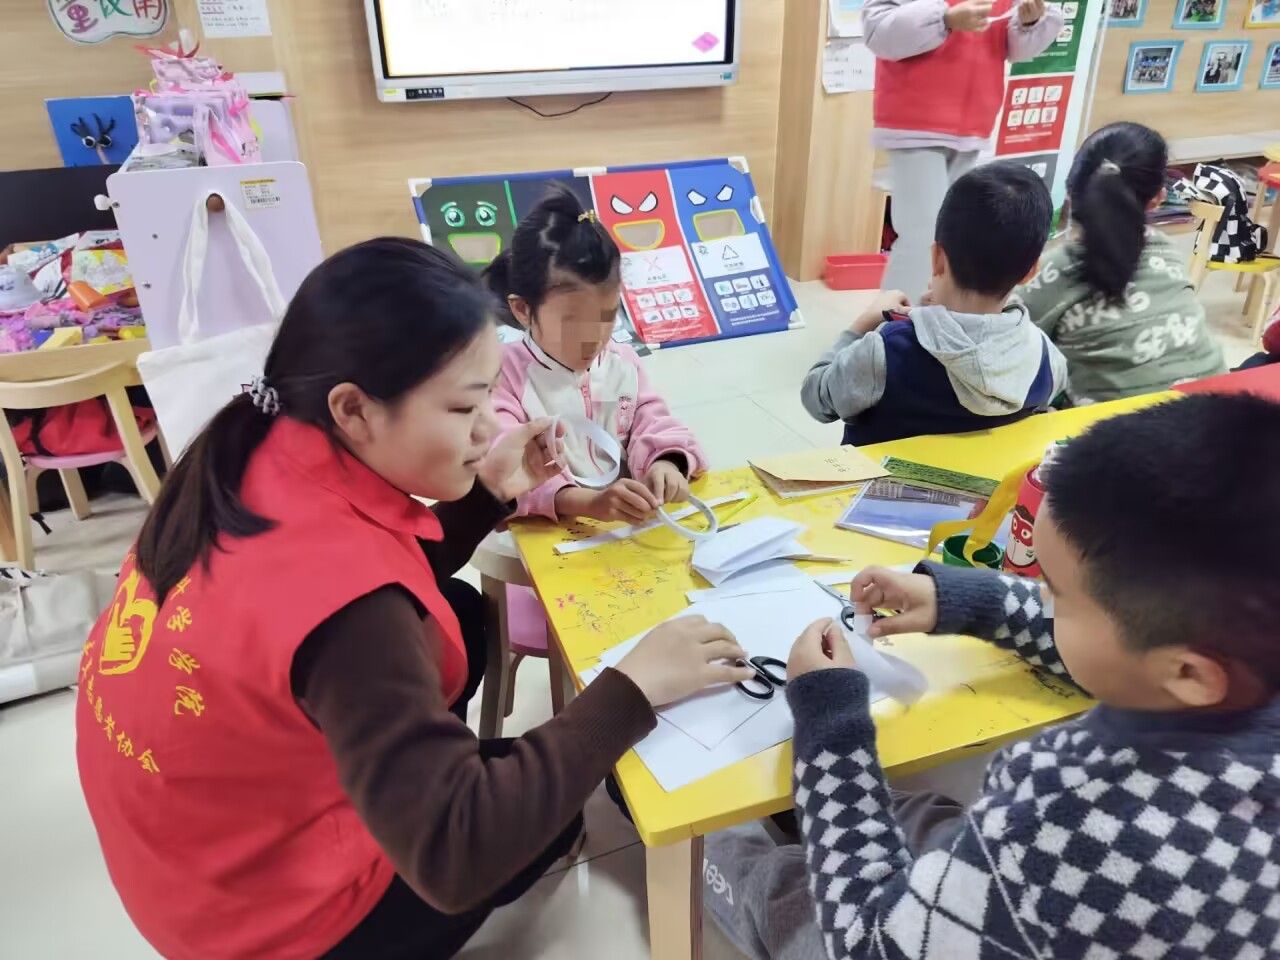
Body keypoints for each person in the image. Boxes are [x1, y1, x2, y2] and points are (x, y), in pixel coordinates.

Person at [74, 238, 755, 960]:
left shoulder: (253, 447)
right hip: (266, 921)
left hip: (193, 854)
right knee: (549, 814)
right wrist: (633, 687)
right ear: (354, 409)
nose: (488, 429)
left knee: (455, 612)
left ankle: (419, 775)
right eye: (464, 407)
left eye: (488, 399)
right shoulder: (346, 605)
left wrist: (489, 493)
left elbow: (367, 590)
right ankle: (422, 799)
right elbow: (458, 855)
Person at [705, 393, 1280, 959]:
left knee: (755, 869)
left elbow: (868, 943)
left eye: (1056, 592)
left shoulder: (1083, 826)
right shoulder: (1235, 668)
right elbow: (1139, 655)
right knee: (915, 815)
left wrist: (831, 725)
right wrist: (973, 602)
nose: (1043, 600)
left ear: (1188, 671)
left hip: (930, 926)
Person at [801, 161, 1067, 445]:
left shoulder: (886, 350)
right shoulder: (1047, 359)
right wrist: (931, 317)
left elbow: (816, 398)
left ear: (938, 258)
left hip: (878, 474)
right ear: (1030, 271)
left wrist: (862, 324)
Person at [486, 189, 707, 523]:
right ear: (523, 309)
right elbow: (502, 470)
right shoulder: (503, 377)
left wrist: (666, 462)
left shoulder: (622, 362)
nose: (594, 336)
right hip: (545, 535)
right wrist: (586, 503)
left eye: (608, 315)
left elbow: (651, 419)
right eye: (572, 322)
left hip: (621, 528)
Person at [867, 0, 1064, 298]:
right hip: (913, 124)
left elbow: (1013, 46)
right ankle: (896, 319)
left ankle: (938, 315)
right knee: (922, 237)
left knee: (957, 238)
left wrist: (1030, 21)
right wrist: (944, 19)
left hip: (972, 125)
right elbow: (877, 30)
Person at [1016, 123, 1225, 404]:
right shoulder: (1167, 251)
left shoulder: (1050, 273)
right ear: (1158, 199)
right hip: (1222, 411)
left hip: (1125, 428)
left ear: (1070, 189)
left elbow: (1004, 347)